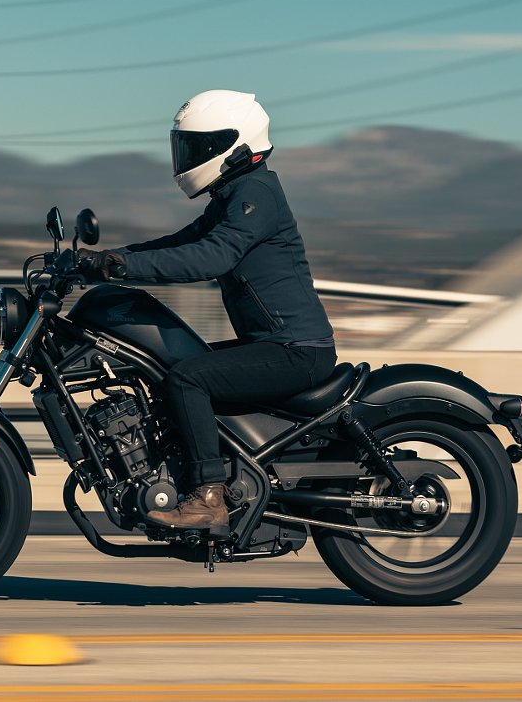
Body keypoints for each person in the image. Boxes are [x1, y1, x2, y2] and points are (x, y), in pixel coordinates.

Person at [82, 90, 336, 533]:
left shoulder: (255, 193)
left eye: (198, 146)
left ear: (233, 143)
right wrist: (104, 260)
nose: (189, 157)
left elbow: (210, 257)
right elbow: (180, 243)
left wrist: (118, 266)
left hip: (297, 350)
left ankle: (209, 497)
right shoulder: (232, 196)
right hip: (273, 344)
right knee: (167, 371)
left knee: (187, 378)